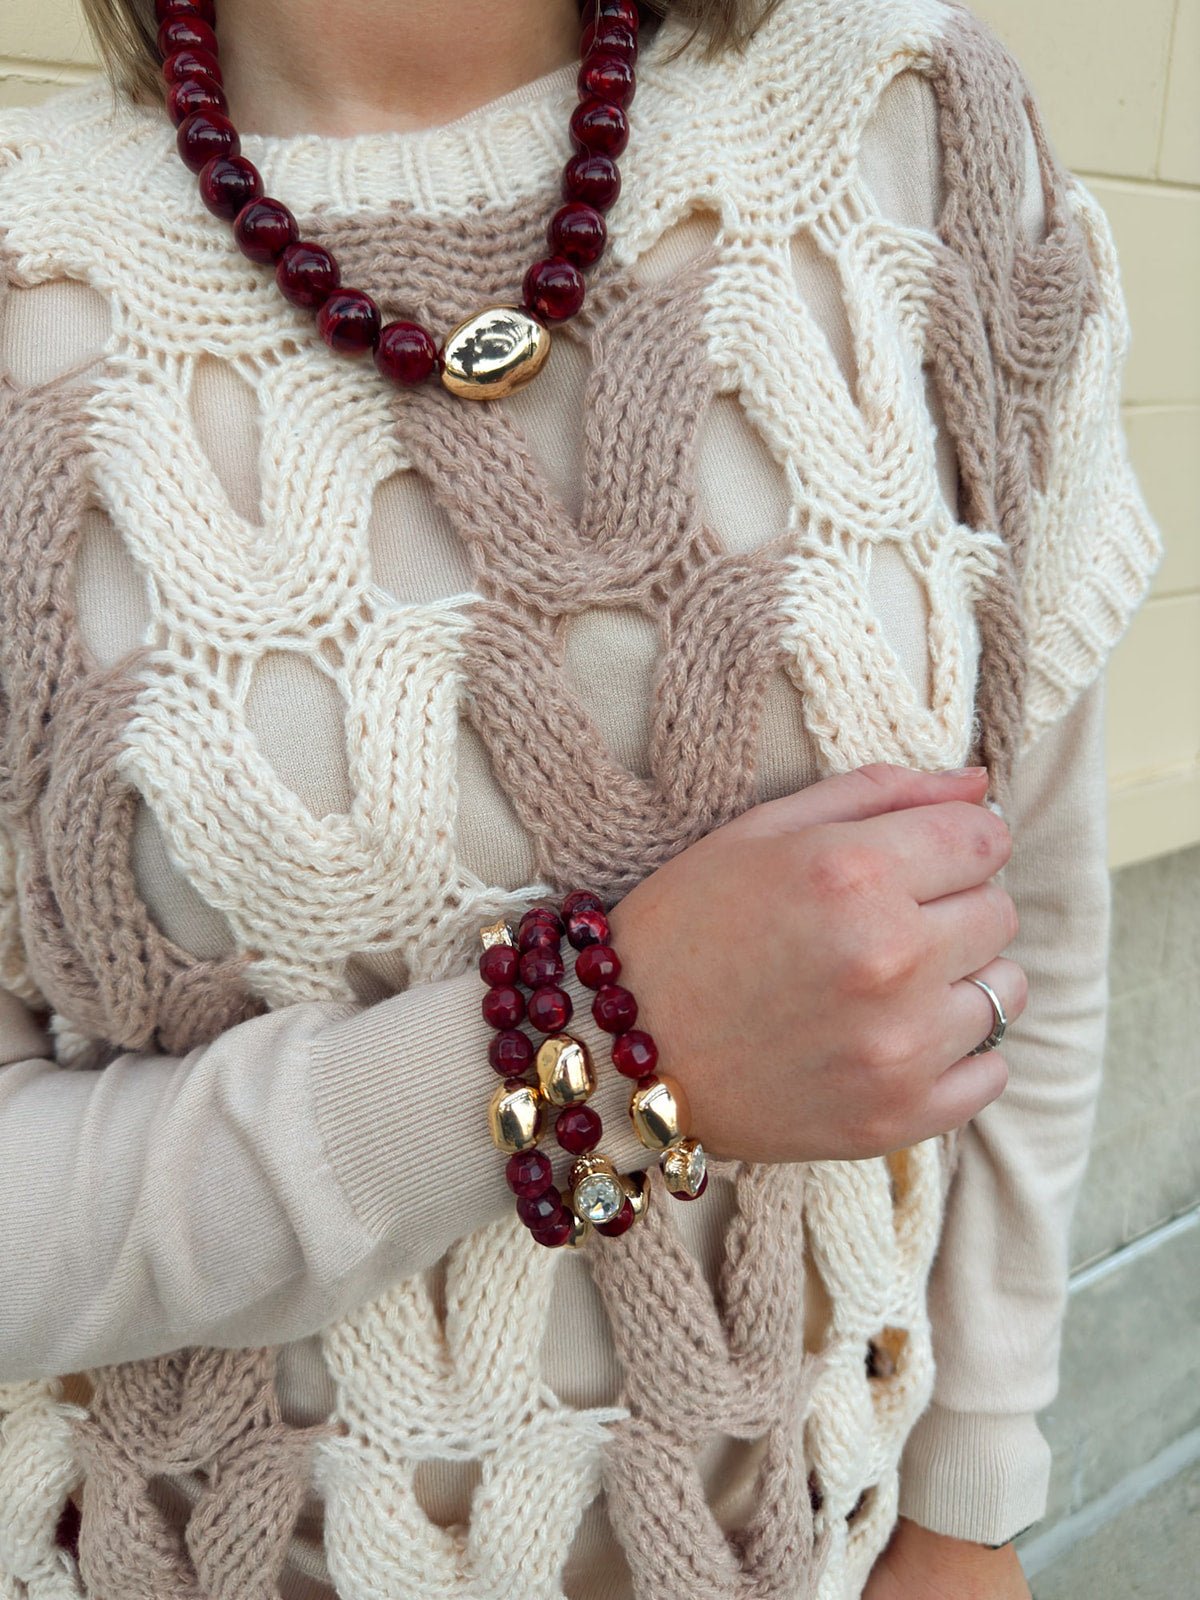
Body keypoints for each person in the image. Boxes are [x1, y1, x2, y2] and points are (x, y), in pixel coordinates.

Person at [0, 0, 1162, 1596]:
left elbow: (1024, 901)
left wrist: (972, 1493)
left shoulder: (913, 128)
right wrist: (603, 1051)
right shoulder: (25, 281)